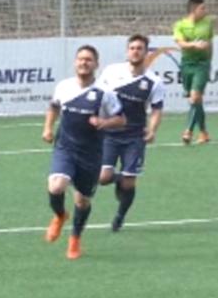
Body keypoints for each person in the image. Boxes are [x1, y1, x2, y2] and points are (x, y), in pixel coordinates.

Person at [42, 45, 126, 260]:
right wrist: (48, 128)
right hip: (65, 148)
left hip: (90, 154)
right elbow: (54, 107)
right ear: (75, 62)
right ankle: (60, 215)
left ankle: (75, 239)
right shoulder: (64, 86)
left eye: (88, 59)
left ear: (96, 64)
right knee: (56, 185)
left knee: (82, 201)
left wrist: (104, 122)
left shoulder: (104, 93)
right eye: (80, 59)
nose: (83, 62)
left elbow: (122, 119)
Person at [97, 35, 165, 232]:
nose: (135, 51)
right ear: (127, 51)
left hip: (135, 137)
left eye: (140, 48)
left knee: (129, 184)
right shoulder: (112, 72)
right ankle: (119, 178)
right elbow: (98, 94)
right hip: (110, 133)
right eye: (132, 47)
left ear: (146, 52)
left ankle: (120, 215)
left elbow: (157, 109)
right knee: (102, 178)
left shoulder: (154, 82)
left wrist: (152, 130)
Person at [173, 0, 214, 145]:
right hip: (187, 65)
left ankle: (188, 131)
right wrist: (194, 45)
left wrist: (209, 61)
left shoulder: (208, 23)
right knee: (196, 101)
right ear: (193, 10)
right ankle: (203, 132)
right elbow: (180, 43)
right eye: (202, 8)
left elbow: (210, 42)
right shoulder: (180, 25)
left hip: (202, 64)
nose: (205, 11)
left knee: (195, 97)